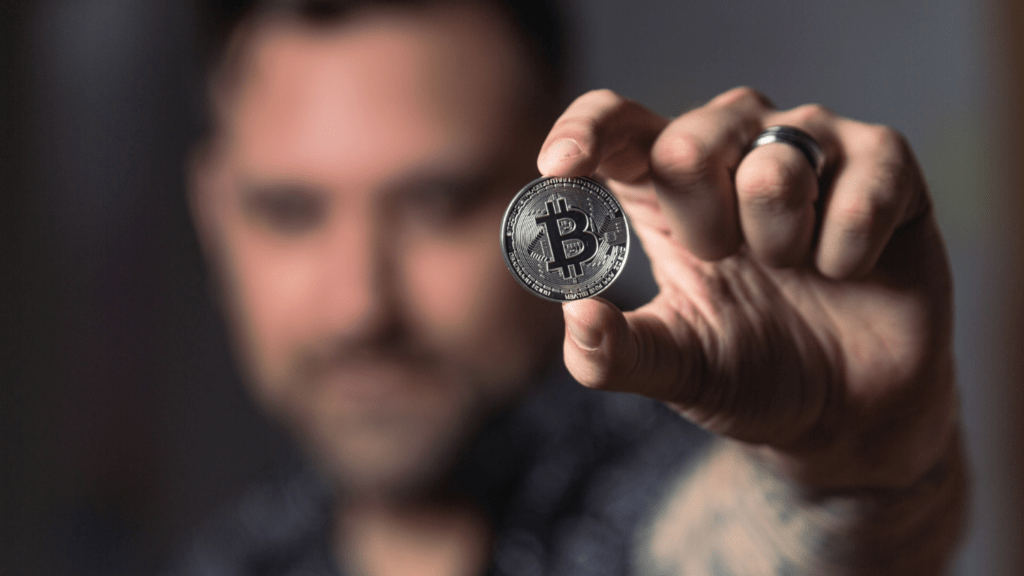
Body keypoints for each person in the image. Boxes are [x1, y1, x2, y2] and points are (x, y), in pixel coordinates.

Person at [173, 0, 967, 574]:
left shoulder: (663, 478)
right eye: (289, 212)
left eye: (438, 205)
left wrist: (849, 471)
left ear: (557, 190)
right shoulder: (239, 555)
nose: (360, 307)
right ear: (213, 215)